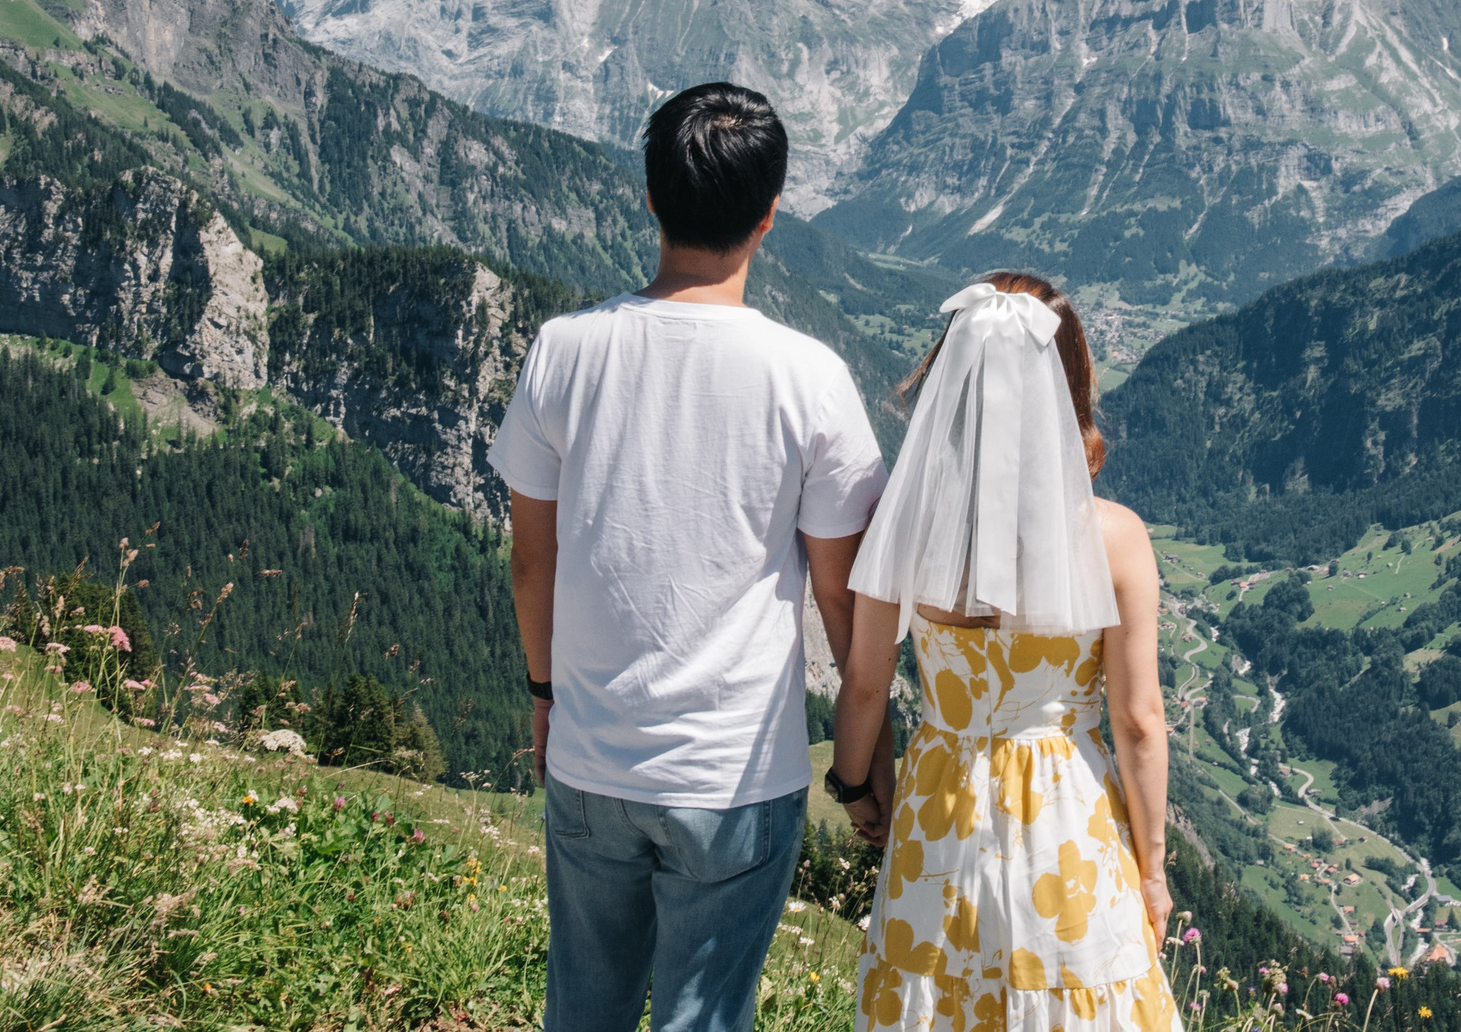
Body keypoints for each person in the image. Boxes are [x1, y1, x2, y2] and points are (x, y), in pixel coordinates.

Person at [493, 81, 891, 1032]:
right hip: (736, 778)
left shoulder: (562, 350)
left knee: (582, 1007)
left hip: (592, 757)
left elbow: (531, 564)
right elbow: (845, 597)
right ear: (770, 215)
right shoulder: (813, 379)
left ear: (648, 196)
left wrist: (546, 693)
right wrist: (862, 760)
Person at [827, 273, 1179, 1032]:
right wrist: (1151, 869)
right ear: (1071, 384)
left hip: (939, 806)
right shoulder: (1113, 536)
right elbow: (1140, 718)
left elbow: (864, 681)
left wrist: (856, 785)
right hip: (1065, 814)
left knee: (932, 996)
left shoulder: (907, 524)